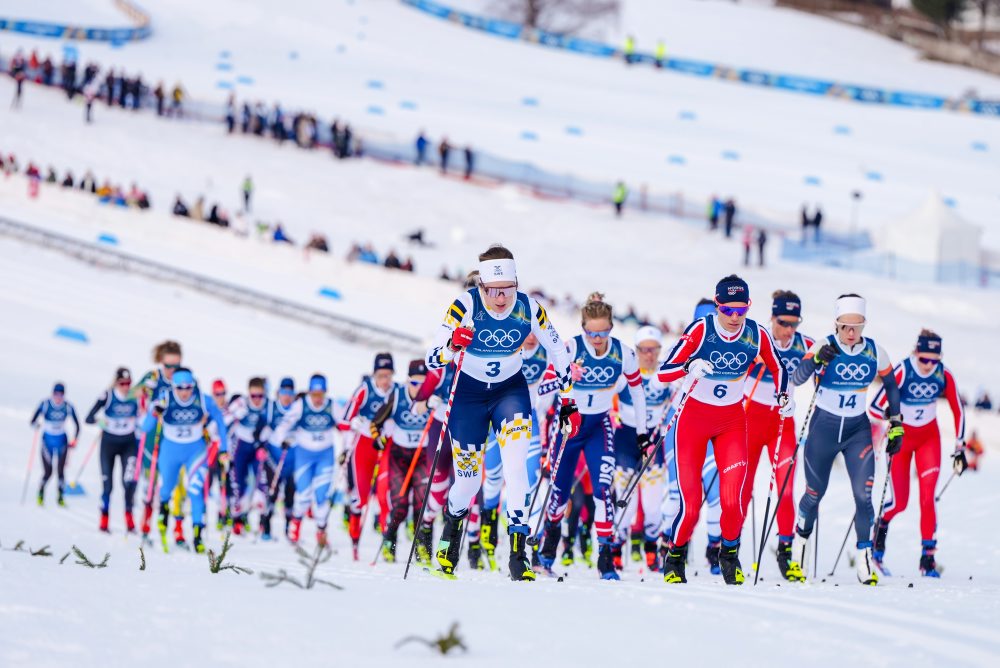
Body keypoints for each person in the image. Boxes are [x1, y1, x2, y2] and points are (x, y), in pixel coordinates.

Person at [425, 245, 576, 580]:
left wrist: (568, 400)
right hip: (469, 395)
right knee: (469, 480)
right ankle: (451, 536)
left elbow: (557, 349)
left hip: (511, 391)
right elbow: (431, 358)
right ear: (481, 287)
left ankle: (518, 554)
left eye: (508, 289)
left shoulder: (529, 308)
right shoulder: (465, 305)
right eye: (493, 290)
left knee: (516, 467)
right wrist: (452, 347)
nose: (501, 298)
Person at [656, 275, 790, 585]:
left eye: (741, 310)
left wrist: (783, 396)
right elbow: (664, 372)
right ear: (717, 306)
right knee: (690, 506)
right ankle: (675, 556)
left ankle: (729, 555)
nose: (734, 317)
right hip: (693, 421)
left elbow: (778, 366)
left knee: (733, 500)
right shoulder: (701, 329)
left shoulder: (755, 333)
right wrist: (689, 366)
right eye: (728, 310)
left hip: (731, 421)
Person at [789, 294, 903, 585]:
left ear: (864, 325)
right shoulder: (824, 345)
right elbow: (798, 378)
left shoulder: (876, 352)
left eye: (857, 327)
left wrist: (896, 423)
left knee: (864, 496)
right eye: (845, 327)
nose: (851, 334)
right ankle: (798, 549)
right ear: (836, 324)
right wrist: (815, 359)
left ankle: (865, 562)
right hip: (823, 429)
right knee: (813, 495)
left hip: (857, 431)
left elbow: (891, 385)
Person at [537, 293, 647, 580]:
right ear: (583, 327)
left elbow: (637, 392)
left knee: (602, 492)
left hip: (599, 426)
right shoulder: (570, 348)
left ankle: (605, 559)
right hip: (568, 426)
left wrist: (643, 432)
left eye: (603, 332)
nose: (597, 339)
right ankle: (547, 551)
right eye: (591, 332)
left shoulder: (623, 353)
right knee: (559, 495)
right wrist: (566, 376)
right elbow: (543, 388)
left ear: (611, 327)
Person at [869, 330, 966, 577]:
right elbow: (875, 405)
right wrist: (894, 422)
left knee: (927, 498)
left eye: (934, 360)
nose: (929, 366)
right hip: (902, 440)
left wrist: (960, 445)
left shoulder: (943, 374)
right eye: (924, 360)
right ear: (916, 353)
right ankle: (878, 538)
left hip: (928, 440)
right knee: (899, 502)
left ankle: (928, 559)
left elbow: (958, 409)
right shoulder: (903, 370)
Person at [742, 291, 814, 581]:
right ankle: (728, 547)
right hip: (750, 418)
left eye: (795, 323)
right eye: (784, 322)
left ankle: (786, 550)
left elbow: (825, 355)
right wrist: (751, 362)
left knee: (785, 486)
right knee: (743, 486)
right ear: (772, 317)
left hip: (782, 422)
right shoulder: (755, 339)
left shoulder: (804, 344)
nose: (789, 330)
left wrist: (824, 361)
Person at [143, 368, 229, 553]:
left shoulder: (202, 399)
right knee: (166, 489)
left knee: (195, 491)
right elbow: (145, 427)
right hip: (170, 451)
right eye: (180, 387)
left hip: (195, 451)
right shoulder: (164, 398)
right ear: (173, 386)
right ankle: (164, 514)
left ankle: (197, 536)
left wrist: (224, 449)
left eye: (188, 387)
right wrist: (154, 412)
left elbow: (220, 420)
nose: (184, 392)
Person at [613, 326, 672, 570]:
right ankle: (615, 547)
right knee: (625, 501)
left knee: (651, 503)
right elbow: (607, 393)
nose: (649, 355)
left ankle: (651, 548)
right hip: (626, 438)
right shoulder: (626, 373)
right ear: (636, 350)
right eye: (644, 350)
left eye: (654, 350)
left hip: (654, 440)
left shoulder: (666, 375)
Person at [268, 374, 338, 546]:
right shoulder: (301, 405)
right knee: (304, 495)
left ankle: (321, 531)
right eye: (314, 394)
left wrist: (352, 435)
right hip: (304, 456)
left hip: (325, 456)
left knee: (322, 496)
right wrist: (281, 439)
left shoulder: (332, 406)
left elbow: (347, 423)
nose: (317, 398)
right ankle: (295, 526)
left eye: (320, 394)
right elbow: (284, 425)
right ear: (309, 393)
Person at [340, 353, 397, 558]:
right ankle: (355, 540)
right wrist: (354, 423)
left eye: (389, 375)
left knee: (385, 495)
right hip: (364, 444)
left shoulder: (396, 391)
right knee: (361, 497)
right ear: (374, 374)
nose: (385, 380)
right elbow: (343, 421)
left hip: (386, 445)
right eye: (381, 375)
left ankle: (387, 545)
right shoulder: (364, 389)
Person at [378, 360, 435, 561]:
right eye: (414, 383)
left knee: (423, 504)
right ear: (407, 381)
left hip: (423, 456)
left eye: (423, 384)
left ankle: (423, 549)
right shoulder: (397, 395)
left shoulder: (432, 396)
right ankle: (389, 542)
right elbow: (378, 420)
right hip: (399, 456)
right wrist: (380, 434)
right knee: (400, 505)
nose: (418, 388)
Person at [133, 340, 183, 537]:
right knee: (150, 483)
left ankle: (177, 528)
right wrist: (144, 390)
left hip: (175, 440)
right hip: (153, 437)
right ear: (161, 362)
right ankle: (145, 524)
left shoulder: (183, 378)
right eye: (168, 365)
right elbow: (130, 395)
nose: (172, 370)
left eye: (175, 365)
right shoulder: (153, 376)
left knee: (177, 484)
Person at [85, 367, 140, 532]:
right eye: (122, 383)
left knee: (129, 482)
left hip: (128, 443)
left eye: (128, 383)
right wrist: (101, 422)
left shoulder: (135, 397)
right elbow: (88, 417)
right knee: (108, 485)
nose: (126, 387)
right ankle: (104, 518)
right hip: (109, 443)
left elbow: (145, 414)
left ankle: (129, 518)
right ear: (116, 383)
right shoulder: (107, 395)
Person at [226, 377, 270, 535]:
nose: (257, 400)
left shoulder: (268, 405)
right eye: (254, 396)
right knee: (239, 482)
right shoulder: (241, 403)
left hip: (258, 446)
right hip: (241, 445)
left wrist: (264, 441)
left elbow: (274, 426)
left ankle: (262, 521)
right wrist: (234, 415)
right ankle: (238, 519)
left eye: (260, 396)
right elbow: (223, 420)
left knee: (262, 483)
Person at [259, 377, 297, 539]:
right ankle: (265, 526)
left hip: (292, 457)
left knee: (290, 493)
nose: (286, 396)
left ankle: (289, 528)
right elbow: (261, 428)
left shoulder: (297, 408)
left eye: (290, 393)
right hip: (273, 457)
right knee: (272, 492)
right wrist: (262, 444)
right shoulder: (271, 408)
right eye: (283, 392)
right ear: (278, 393)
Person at [30, 383, 80, 506]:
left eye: (61, 394)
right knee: (48, 471)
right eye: (56, 394)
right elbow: (32, 421)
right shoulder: (45, 404)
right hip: (47, 443)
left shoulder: (68, 406)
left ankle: (60, 497)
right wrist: (36, 425)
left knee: (61, 471)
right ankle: (41, 493)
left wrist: (75, 439)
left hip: (62, 442)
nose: (58, 397)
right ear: (52, 394)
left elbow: (78, 425)